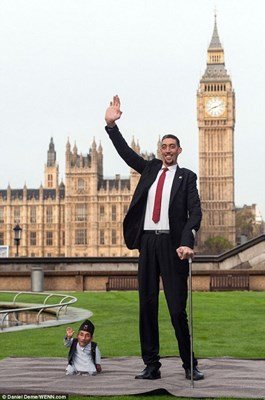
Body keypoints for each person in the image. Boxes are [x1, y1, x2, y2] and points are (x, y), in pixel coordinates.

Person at [104, 95, 204, 381]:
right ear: (159, 150)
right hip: (147, 242)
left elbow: (195, 213)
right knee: (146, 305)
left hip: (173, 247)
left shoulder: (187, 177)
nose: (168, 150)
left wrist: (187, 241)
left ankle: (189, 363)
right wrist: (111, 125)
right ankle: (151, 365)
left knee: (176, 310)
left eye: (173, 147)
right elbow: (125, 152)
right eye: (164, 146)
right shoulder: (148, 169)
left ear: (179, 150)